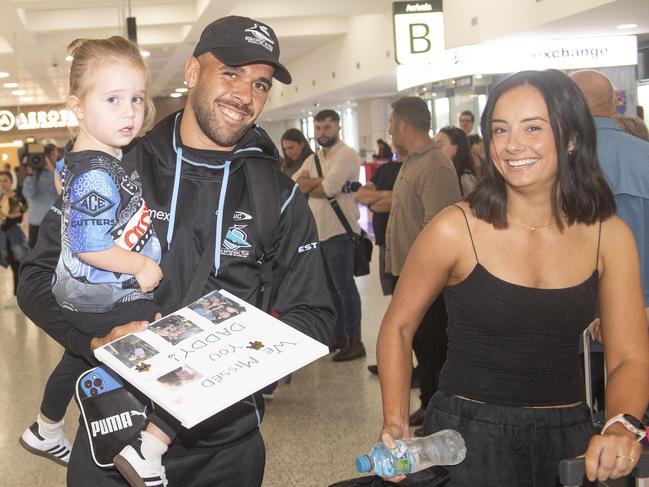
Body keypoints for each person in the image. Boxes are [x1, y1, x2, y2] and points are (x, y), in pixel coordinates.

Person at [18, 15, 334, 487]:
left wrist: (228, 363)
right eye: (230, 72)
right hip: (111, 440)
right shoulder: (117, 166)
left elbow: (314, 314)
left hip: (226, 450)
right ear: (191, 73)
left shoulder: (279, 196)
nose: (245, 95)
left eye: (260, 84)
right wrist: (90, 342)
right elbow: (36, 279)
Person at [377, 70, 649, 486]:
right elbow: (398, 326)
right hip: (468, 440)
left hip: (571, 437)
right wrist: (395, 423)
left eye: (533, 128)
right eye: (500, 129)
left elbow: (628, 354)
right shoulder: (456, 228)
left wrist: (620, 426)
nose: (512, 145)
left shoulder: (608, 235)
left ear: (572, 137)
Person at [18, 36, 169, 487]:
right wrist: (141, 266)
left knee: (77, 356)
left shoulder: (95, 159)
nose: (129, 112)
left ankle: (46, 426)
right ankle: (147, 449)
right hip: (104, 290)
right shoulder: (98, 173)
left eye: (137, 99)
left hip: (86, 292)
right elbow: (87, 245)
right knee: (165, 348)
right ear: (78, 107)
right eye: (113, 99)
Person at [571, 70, 649, 415]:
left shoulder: (561, 164)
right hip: (643, 316)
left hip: (578, 321)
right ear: (615, 101)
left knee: (585, 410)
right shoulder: (645, 155)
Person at [383, 97, 461, 434]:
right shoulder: (411, 161)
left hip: (428, 280)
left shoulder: (436, 166)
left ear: (402, 125)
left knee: (433, 350)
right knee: (421, 348)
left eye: (390, 125)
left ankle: (436, 410)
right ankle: (428, 404)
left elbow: (439, 230)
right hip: (406, 273)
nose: (388, 132)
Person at [293, 108, 365, 362]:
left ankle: (355, 340)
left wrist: (314, 183)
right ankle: (339, 335)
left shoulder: (346, 155)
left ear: (338, 127)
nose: (323, 132)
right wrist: (319, 182)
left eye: (328, 127)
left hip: (339, 232)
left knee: (345, 288)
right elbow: (294, 184)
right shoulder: (314, 158)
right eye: (319, 128)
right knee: (330, 290)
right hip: (319, 233)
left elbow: (328, 189)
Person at [22, 143, 60, 248]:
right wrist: (29, 173)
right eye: (54, 154)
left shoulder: (59, 172)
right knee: (35, 254)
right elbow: (28, 194)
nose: (56, 156)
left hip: (53, 222)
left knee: (54, 254)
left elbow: (64, 190)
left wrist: (51, 169)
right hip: (36, 222)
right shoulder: (34, 174)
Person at [0, 171, 29, 307]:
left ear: (11, 181)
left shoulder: (16, 197)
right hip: (4, 235)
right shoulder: (1, 197)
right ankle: (16, 294)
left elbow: (19, 217)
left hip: (14, 234)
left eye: (5, 180)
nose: (2, 183)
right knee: (12, 264)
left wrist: (6, 217)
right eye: (0, 181)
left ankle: (19, 294)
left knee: (19, 264)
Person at [434, 126, 478, 196]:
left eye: (440, 145)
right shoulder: (441, 172)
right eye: (435, 145)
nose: (436, 149)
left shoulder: (465, 178)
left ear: (456, 148)